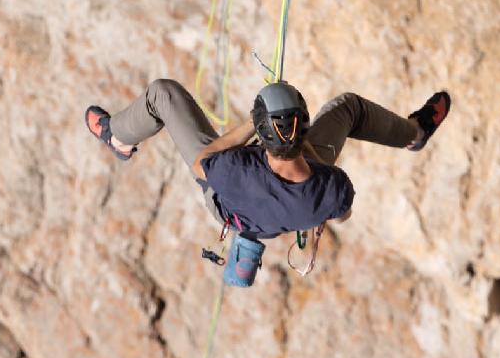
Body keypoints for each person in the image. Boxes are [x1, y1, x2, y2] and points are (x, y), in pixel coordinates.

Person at [84, 79, 451, 242]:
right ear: (303, 127)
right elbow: (341, 213)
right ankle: (414, 133)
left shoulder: (233, 168)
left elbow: (203, 162)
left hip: (228, 200)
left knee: (162, 94)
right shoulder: (332, 187)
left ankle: (116, 136)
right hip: (271, 208)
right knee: (349, 109)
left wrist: (251, 124)